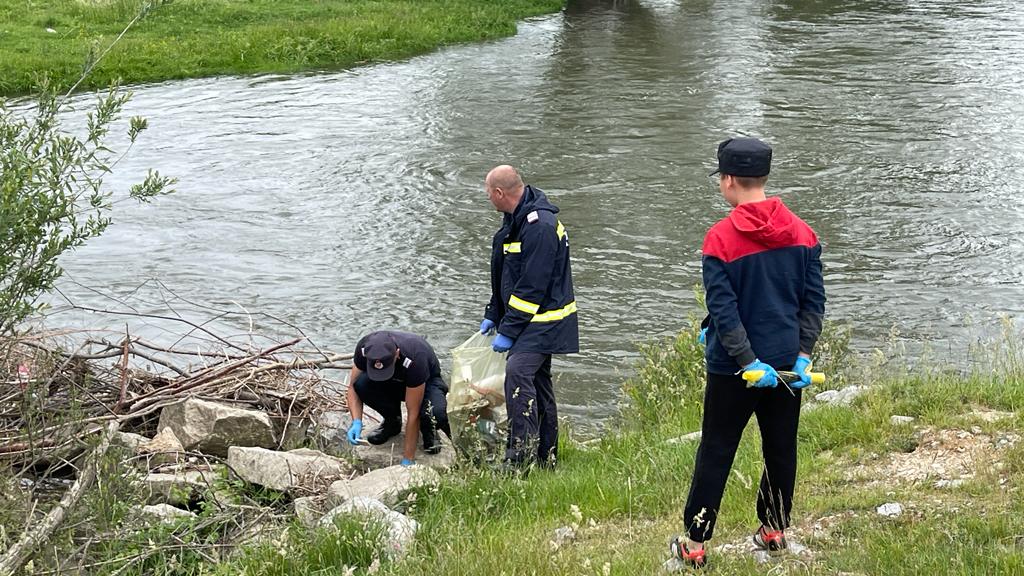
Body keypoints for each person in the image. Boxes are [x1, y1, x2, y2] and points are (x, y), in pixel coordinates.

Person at [670, 137, 826, 568]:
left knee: (718, 449)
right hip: (786, 366)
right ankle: (773, 530)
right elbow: (814, 303)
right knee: (781, 446)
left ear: (729, 181)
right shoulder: (804, 233)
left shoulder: (719, 239)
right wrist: (803, 354)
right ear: (764, 177)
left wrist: (744, 360)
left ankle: (696, 543)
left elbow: (724, 309)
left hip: (732, 369)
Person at [479, 165, 579, 469]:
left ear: (499, 193)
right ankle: (547, 455)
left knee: (519, 375)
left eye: (488, 193)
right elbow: (506, 274)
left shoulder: (539, 226)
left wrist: (508, 329)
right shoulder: (515, 220)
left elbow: (532, 285)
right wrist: (494, 312)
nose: (487, 199)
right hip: (529, 319)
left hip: (546, 320)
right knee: (539, 382)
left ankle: (519, 457)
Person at [344, 330, 451, 466]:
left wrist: (408, 458)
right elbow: (352, 387)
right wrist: (356, 422)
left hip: (427, 382)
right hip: (394, 380)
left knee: (435, 413)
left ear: (397, 354)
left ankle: (429, 429)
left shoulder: (415, 357)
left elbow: (413, 413)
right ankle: (392, 422)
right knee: (362, 384)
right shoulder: (365, 348)